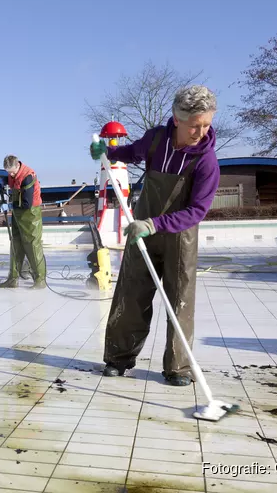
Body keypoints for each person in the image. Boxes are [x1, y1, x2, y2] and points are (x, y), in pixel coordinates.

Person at [90, 85, 220, 386]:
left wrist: (154, 224)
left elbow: (197, 211)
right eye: (194, 125)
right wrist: (106, 152)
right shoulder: (156, 140)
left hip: (179, 235)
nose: (200, 132)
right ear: (177, 119)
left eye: (206, 125)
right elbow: (129, 152)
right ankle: (119, 358)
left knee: (180, 300)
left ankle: (178, 367)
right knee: (131, 294)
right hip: (142, 232)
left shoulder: (206, 161)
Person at [0, 155, 46, 289]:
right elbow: (10, 180)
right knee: (15, 243)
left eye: (12, 172)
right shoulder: (12, 174)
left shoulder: (27, 177)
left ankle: (40, 280)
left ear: (18, 166)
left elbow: (26, 203)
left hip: (30, 214)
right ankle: (12, 278)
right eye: (8, 173)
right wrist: (2, 180)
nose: (10, 175)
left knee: (32, 245)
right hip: (17, 214)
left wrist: (10, 206)